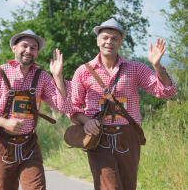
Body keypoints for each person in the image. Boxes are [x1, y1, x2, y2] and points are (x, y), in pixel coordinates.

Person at [69, 18, 176, 190]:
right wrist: (86, 121)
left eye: (114, 38)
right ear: (97, 40)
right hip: (98, 137)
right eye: (105, 37)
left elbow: (167, 91)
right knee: (110, 187)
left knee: (128, 186)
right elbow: (72, 108)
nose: (109, 41)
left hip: (128, 136)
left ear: (121, 43)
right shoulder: (83, 71)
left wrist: (157, 66)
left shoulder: (135, 68)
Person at [0, 29, 71, 190]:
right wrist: (3, 122)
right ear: (14, 48)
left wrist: (58, 76)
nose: (28, 50)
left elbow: (64, 106)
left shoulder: (42, 77)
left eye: (33, 48)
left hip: (29, 144)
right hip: (1, 144)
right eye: (24, 46)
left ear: (37, 53)